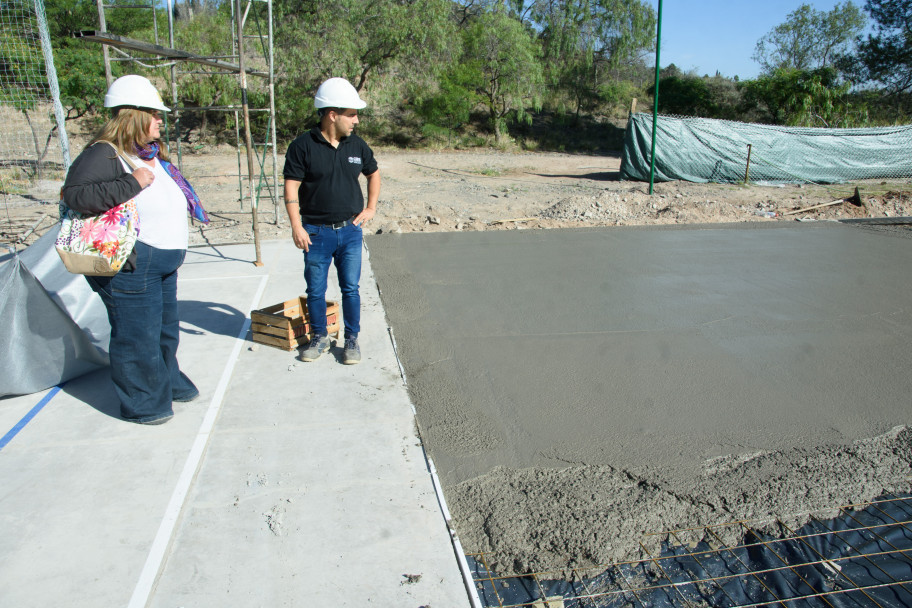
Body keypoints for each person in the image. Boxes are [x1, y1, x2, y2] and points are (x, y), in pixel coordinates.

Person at [61, 74, 209, 425]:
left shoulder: (149, 153)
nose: (161, 120)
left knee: (163, 330)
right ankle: (143, 403)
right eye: (155, 114)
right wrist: (132, 182)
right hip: (131, 263)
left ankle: (167, 382)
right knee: (136, 336)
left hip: (161, 261)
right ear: (134, 115)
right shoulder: (103, 153)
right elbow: (76, 195)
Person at [283, 77, 380, 365]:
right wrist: (296, 226)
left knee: (350, 288)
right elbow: (291, 187)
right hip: (315, 233)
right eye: (351, 114)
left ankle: (351, 339)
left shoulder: (357, 146)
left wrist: (371, 208)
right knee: (316, 290)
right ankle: (319, 337)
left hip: (350, 231)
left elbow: (373, 173)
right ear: (332, 115)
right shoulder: (302, 146)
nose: (357, 121)